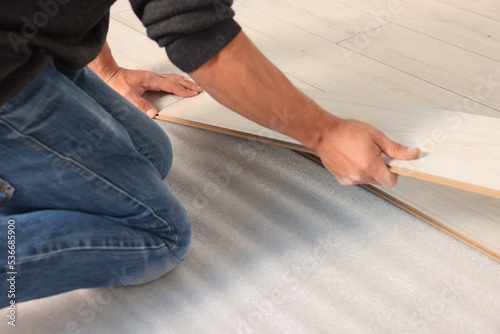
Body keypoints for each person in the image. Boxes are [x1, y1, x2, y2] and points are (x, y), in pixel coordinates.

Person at [0, 0, 419, 308]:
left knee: (148, 154)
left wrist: (105, 69)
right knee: (156, 236)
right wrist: (325, 133)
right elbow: (196, 31)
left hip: (30, 53)